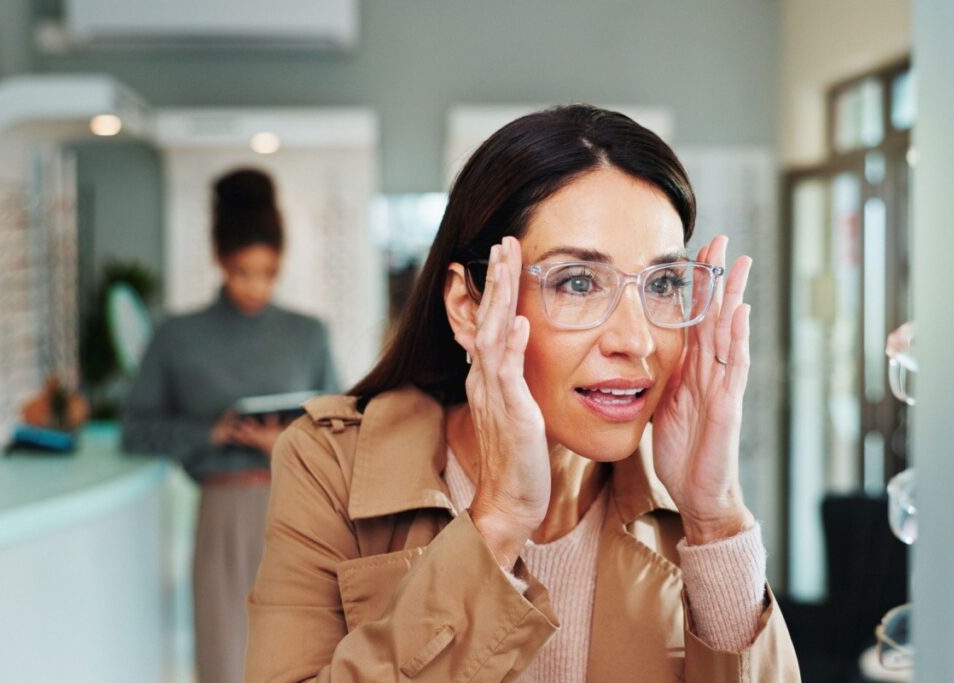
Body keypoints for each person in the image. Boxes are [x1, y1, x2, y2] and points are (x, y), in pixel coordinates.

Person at [245, 105, 800, 682]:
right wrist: (498, 522)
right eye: (578, 282)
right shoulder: (329, 463)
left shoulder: (687, 508)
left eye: (662, 283)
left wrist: (716, 521)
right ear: (468, 306)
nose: (635, 340)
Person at [122, 168, 340, 683]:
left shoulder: (307, 334)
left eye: (268, 272)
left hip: (299, 511)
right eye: (244, 272)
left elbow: (342, 431)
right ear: (221, 261)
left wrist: (284, 445)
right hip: (222, 512)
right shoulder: (179, 337)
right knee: (224, 658)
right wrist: (210, 433)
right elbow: (137, 429)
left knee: (305, 659)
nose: (256, 286)